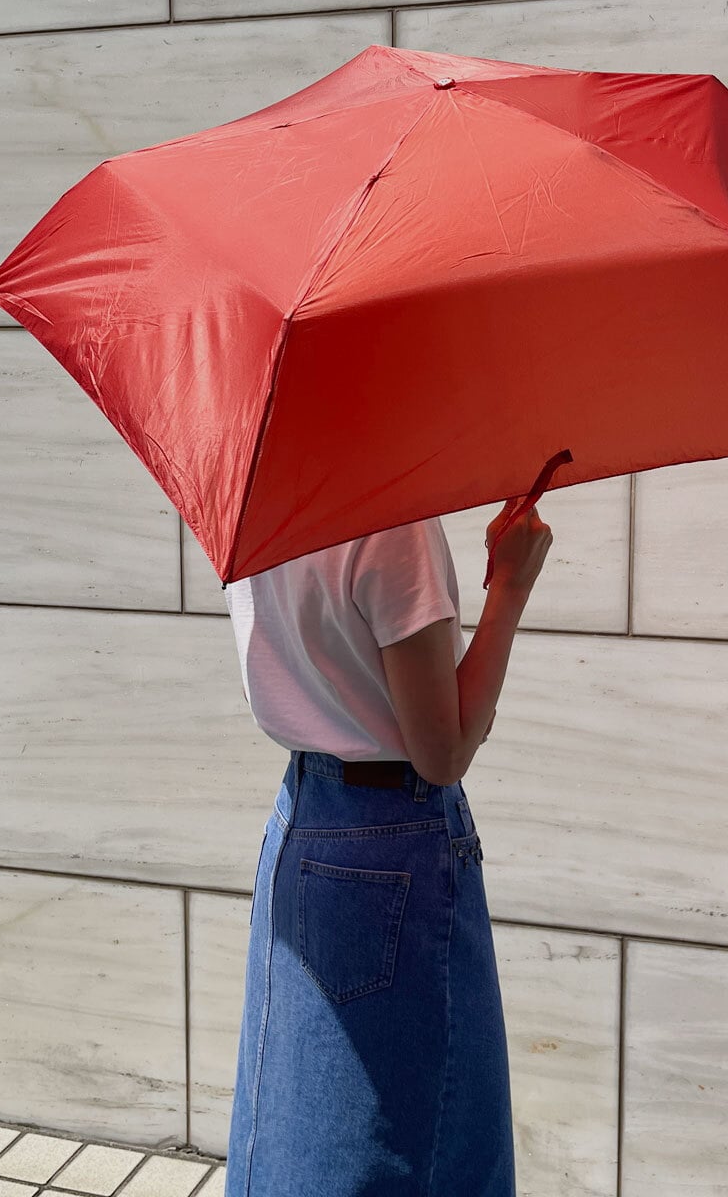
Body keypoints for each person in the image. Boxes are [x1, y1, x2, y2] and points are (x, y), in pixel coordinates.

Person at [222, 497, 553, 1197]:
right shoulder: (391, 522)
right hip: (392, 845)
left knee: (292, 1127)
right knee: (433, 1139)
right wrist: (510, 588)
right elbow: (443, 749)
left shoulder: (259, 503)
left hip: (301, 817)